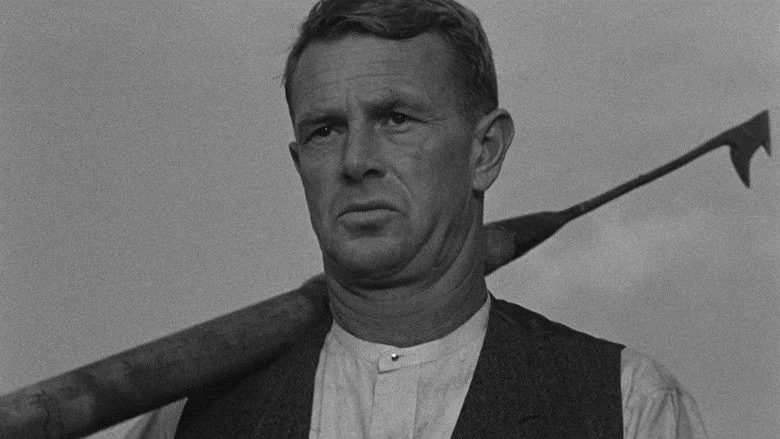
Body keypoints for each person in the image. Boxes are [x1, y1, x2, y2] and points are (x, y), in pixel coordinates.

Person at [127, 0, 707, 437]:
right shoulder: (188, 420)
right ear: (300, 165)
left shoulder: (628, 406)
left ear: (485, 152)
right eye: (325, 130)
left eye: (396, 119)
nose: (356, 161)